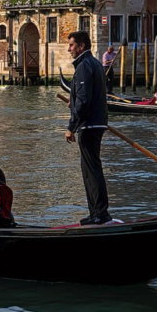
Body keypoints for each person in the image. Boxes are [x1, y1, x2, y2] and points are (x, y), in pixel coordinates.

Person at [67, 30, 112, 225]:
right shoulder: (95, 64)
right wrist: (74, 100)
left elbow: (84, 101)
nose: (69, 49)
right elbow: (87, 95)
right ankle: (97, 212)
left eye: (71, 45)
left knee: (90, 170)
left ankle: (99, 214)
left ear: (82, 46)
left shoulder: (84, 65)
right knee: (93, 168)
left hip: (89, 125)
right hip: (98, 122)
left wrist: (71, 126)